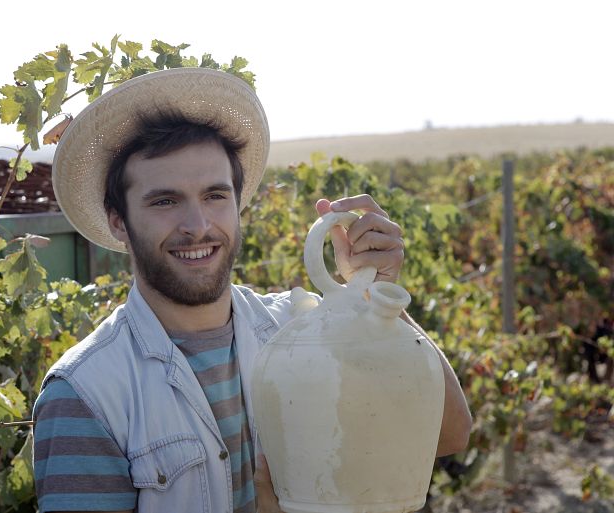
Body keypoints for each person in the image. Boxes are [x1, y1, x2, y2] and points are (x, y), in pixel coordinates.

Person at [33, 68, 472, 513]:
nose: (198, 226)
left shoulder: (304, 329)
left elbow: (447, 436)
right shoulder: (86, 393)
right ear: (118, 221)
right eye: (165, 201)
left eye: (215, 196)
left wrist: (372, 295)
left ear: (238, 204)